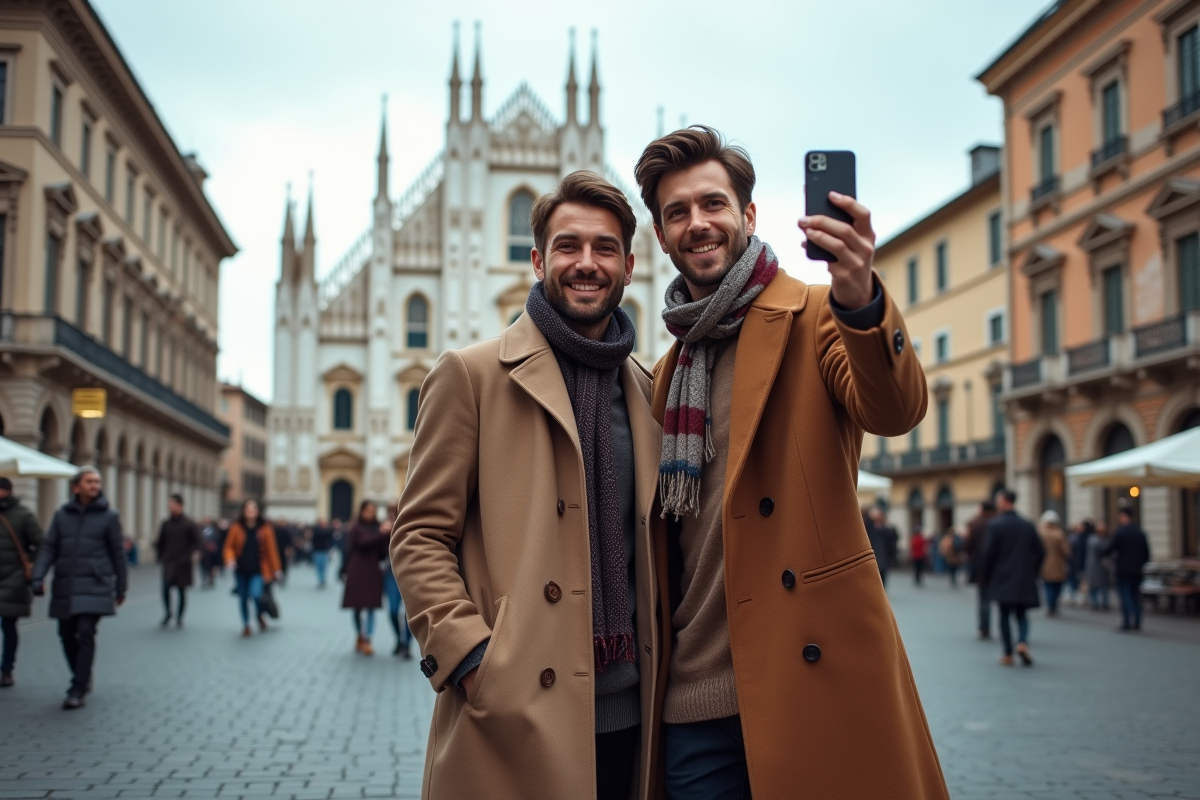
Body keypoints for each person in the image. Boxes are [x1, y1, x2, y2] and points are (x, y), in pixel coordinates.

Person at [634, 127, 946, 798]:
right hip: (694, 700)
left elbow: (894, 409)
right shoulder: (667, 372)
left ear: (748, 215)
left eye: (713, 203)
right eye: (676, 212)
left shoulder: (816, 316)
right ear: (660, 236)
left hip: (807, 675)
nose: (698, 223)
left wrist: (861, 295)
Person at [393, 171, 662, 800]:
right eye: (568, 246)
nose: (586, 263)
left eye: (604, 249)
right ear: (537, 260)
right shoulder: (472, 375)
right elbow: (419, 535)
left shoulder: (647, 387)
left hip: (634, 714)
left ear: (628, 264)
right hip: (515, 711)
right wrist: (469, 660)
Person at [30, 467, 127, 709]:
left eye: (97, 481)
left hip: (95, 583)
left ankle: (77, 687)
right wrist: (38, 575)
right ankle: (82, 674)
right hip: (66, 583)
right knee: (65, 635)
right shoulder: (61, 515)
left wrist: (121, 587)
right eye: (90, 481)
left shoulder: (109, 516)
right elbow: (49, 547)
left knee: (85, 632)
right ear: (76, 487)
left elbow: (118, 554)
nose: (95, 485)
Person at [980, 488, 1044, 667]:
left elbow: (988, 553)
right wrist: (1033, 571)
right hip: (1024, 577)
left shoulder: (996, 525)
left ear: (1004, 501)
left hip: (1002, 577)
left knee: (1004, 615)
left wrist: (986, 576)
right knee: (1022, 614)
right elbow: (1040, 552)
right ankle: (1022, 642)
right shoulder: (1027, 524)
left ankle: (1008, 653)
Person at [0, 477, 44, 688]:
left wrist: (28, 565)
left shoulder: (23, 515)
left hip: (13, 579)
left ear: (6, 491)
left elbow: (42, 544)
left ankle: (7, 669)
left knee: (8, 625)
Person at [222, 499, 282, 637]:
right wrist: (230, 559)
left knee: (256, 595)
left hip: (259, 570)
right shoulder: (236, 527)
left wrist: (276, 569)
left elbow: (271, 550)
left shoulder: (265, 528)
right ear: (243, 511)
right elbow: (228, 546)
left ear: (258, 511)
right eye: (248, 509)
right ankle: (246, 624)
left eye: (253, 509)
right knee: (243, 598)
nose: (250, 512)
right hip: (241, 569)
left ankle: (260, 614)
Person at [342, 500, 388, 656]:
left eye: (373, 510)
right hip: (357, 570)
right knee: (356, 607)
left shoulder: (378, 528)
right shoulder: (356, 528)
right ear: (361, 511)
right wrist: (382, 534)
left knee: (371, 607)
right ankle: (359, 634)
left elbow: (383, 551)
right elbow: (363, 542)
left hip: (373, 570)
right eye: (368, 510)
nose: (370, 513)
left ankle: (368, 639)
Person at [1102, 504, 1151, 631]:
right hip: (1137, 570)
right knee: (1135, 595)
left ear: (1124, 516)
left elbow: (1109, 549)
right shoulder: (1140, 533)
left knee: (1125, 595)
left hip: (1123, 570)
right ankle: (1137, 620)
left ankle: (1127, 620)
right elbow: (1146, 554)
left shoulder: (1120, 532)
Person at [154, 493, 201, 627]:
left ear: (180, 506)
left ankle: (180, 617)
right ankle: (168, 613)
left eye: (173, 505)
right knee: (165, 588)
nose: (170, 508)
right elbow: (160, 542)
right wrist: (161, 555)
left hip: (183, 563)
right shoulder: (166, 524)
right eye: (169, 505)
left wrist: (189, 555)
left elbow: (197, 542)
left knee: (181, 590)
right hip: (169, 561)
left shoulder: (189, 524)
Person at [380, 503, 411, 658]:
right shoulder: (383, 529)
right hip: (391, 573)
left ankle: (407, 645)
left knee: (409, 613)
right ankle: (399, 638)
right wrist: (383, 534)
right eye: (390, 513)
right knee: (392, 610)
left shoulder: (409, 526)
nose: (392, 515)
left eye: (395, 512)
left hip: (410, 573)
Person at [965, 500, 997, 639]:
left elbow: (967, 545)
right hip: (998, 567)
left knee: (983, 599)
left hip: (980, 567)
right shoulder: (997, 522)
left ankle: (984, 628)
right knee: (1002, 602)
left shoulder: (976, 524)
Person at [1037, 509, 1070, 617]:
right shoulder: (1059, 533)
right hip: (1058, 564)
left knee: (1048, 586)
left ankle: (1050, 605)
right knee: (1057, 586)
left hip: (1045, 563)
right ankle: (1053, 605)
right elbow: (1065, 550)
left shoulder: (1041, 533)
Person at [866, 507, 897, 588]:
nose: (878, 517)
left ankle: (882, 591)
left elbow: (892, 539)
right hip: (874, 553)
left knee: (883, 574)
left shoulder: (886, 528)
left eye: (879, 515)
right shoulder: (870, 526)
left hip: (883, 554)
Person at [1085, 522, 1112, 610]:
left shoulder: (1092, 540)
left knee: (1097, 586)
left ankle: (1097, 603)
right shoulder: (1098, 541)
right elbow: (1105, 550)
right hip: (1099, 567)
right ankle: (1099, 603)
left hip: (1096, 567)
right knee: (1100, 586)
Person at [311, 519, 334, 589]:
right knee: (319, 567)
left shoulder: (327, 531)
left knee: (323, 567)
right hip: (318, 551)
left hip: (324, 551)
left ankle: (323, 580)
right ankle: (321, 580)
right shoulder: (317, 531)